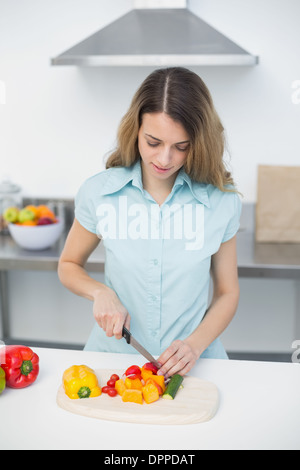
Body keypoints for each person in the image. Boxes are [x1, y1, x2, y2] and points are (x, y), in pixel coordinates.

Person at [58, 67, 241, 379]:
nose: (165, 158)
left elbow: (227, 292)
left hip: (194, 365)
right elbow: (69, 264)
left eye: (181, 146)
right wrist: (100, 292)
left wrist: (194, 345)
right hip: (112, 361)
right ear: (136, 130)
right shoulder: (99, 193)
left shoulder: (221, 202)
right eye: (153, 142)